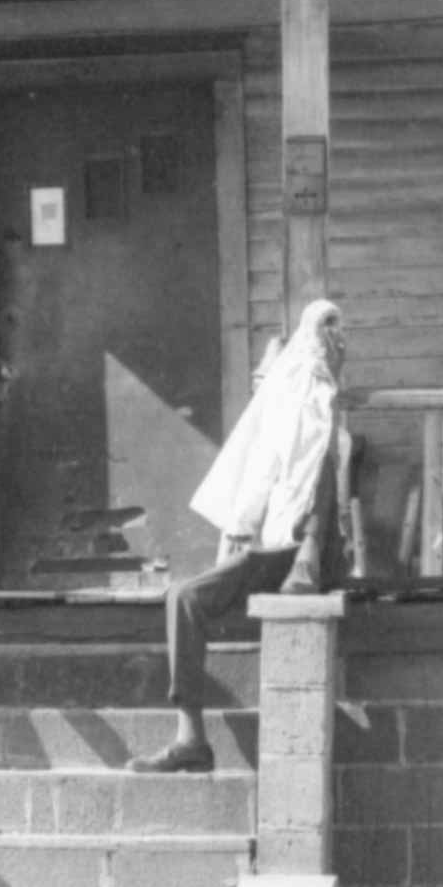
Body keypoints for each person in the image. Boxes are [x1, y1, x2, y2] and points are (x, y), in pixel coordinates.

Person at [129, 298, 352, 774]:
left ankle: (306, 558)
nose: (262, 385)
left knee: (322, 465)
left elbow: (318, 446)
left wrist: (306, 547)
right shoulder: (267, 437)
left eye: (269, 376)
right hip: (270, 554)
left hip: (307, 555)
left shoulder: (320, 422)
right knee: (183, 597)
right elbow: (251, 502)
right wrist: (237, 537)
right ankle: (190, 738)